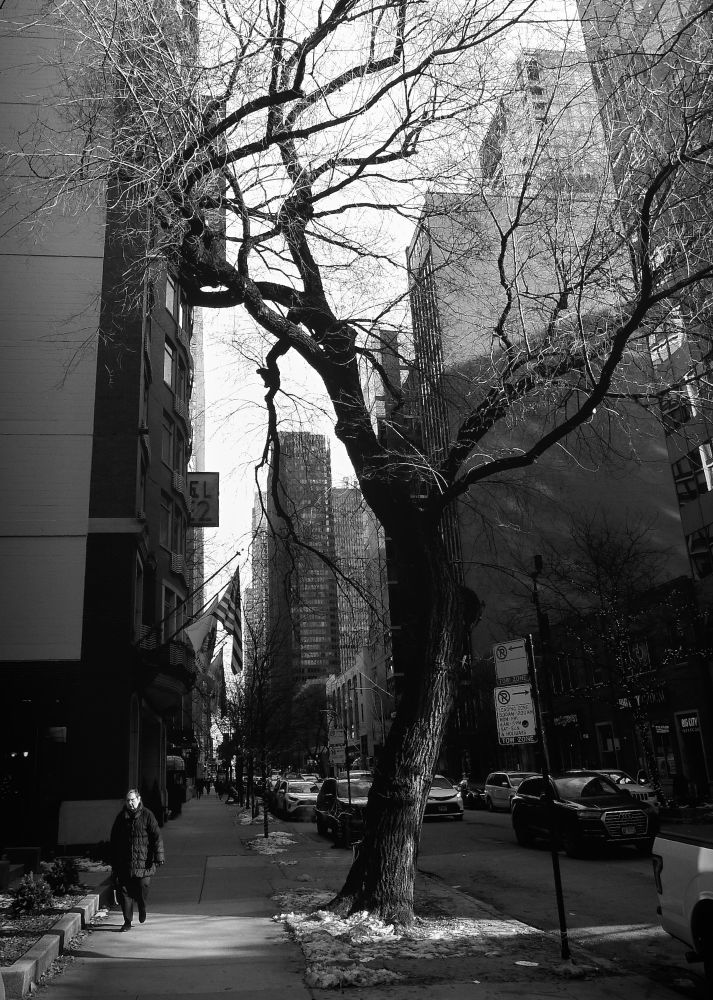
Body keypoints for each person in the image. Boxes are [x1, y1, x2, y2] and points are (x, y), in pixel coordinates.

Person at [110, 788, 165, 932]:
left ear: (139, 799)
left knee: (143, 886)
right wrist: (113, 860)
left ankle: (142, 905)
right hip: (125, 863)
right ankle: (127, 921)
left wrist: (159, 855)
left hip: (144, 861)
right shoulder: (121, 817)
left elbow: (157, 836)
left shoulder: (147, 815)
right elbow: (114, 840)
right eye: (128, 800)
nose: (130, 803)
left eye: (133, 800)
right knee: (125, 892)